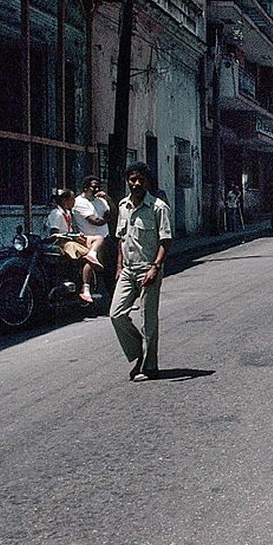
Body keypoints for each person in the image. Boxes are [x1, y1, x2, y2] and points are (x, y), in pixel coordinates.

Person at [110, 161, 172, 381]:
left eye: (140, 179)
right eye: (132, 179)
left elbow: (165, 241)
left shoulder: (158, 207)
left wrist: (155, 267)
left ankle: (149, 366)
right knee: (116, 314)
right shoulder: (123, 206)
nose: (136, 183)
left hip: (148, 269)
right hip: (127, 270)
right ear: (127, 181)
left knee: (148, 320)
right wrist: (118, 267)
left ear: (147, 181)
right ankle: (139, 353)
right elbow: (120, 239)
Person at [44, 188, 95, 303]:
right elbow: (54, 234)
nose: (74, 202)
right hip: (60, 243)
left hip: (68, 241)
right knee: (85, 254)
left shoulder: (67, 213)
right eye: (72, 199)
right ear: (65, 201)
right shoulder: (56, 214)